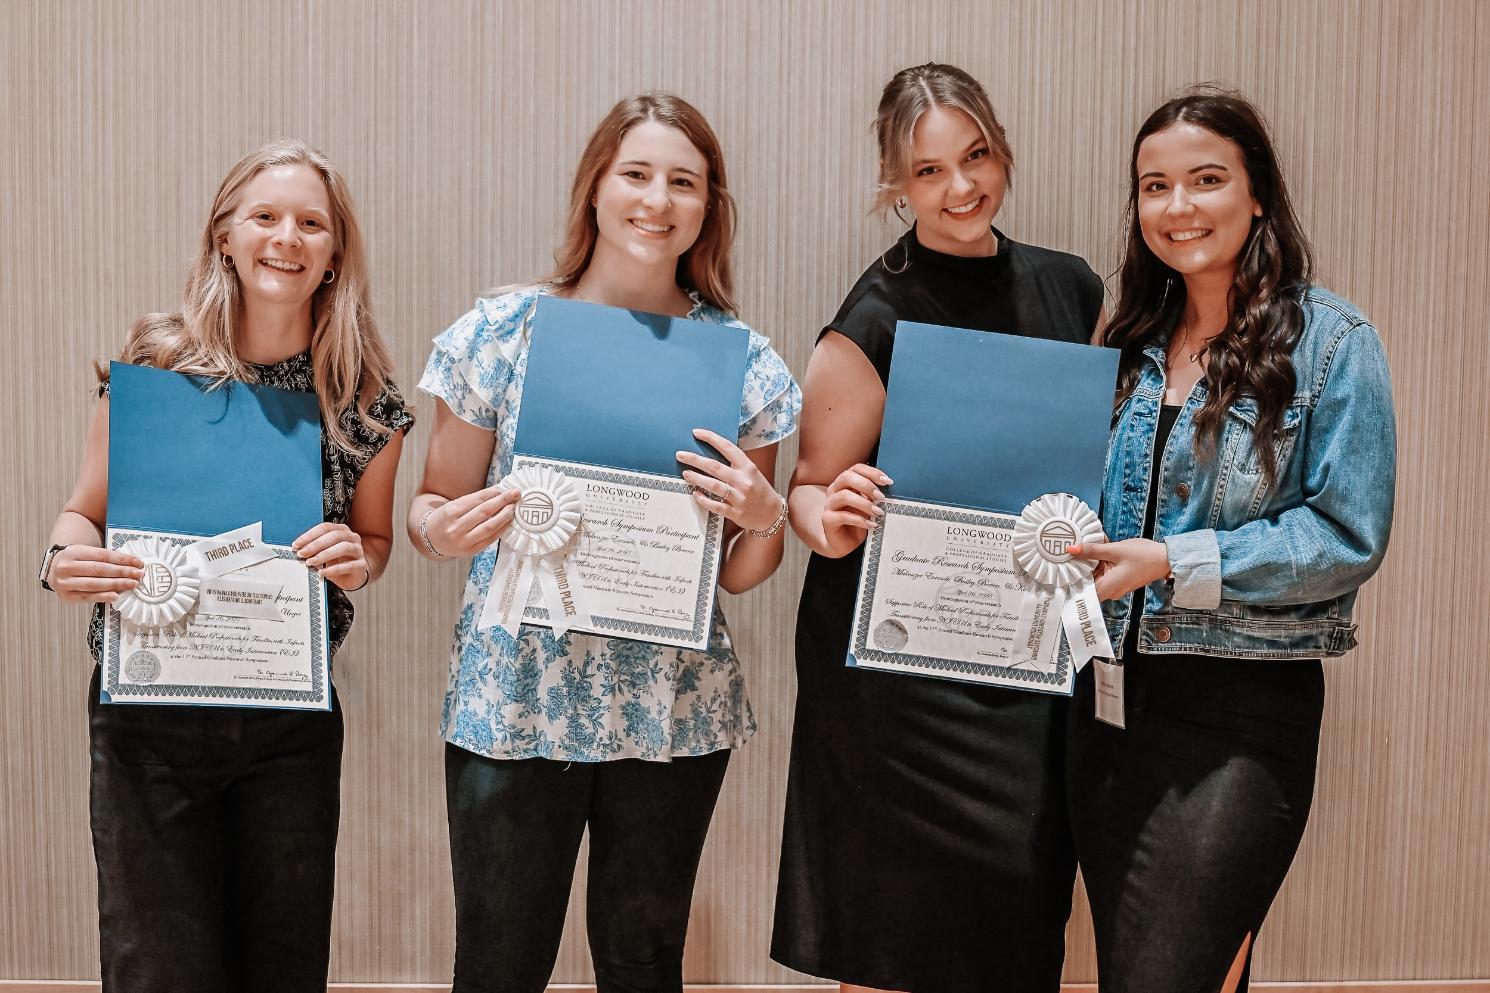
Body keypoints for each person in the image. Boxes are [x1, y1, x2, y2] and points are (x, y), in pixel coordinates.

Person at [409, 93, 800, 993]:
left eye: (684, 182)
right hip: (513, 703)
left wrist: (762, 511)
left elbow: (742, 576)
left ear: (709, 206)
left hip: (674, 708)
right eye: (636, 174)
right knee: (500, 962)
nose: (657, 199)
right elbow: (434, 502)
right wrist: (440, 528)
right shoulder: (502, 333)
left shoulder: (739, 362)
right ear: (595, 188)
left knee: (644, 959)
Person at [40, 139, 412, 992]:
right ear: (226, 238)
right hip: (146, 715)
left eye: (312, 223)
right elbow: (82, 510)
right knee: (156, 966)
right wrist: (63, 559)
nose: (288, 236)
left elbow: (376, 542)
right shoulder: (156, 364)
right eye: (266, 216)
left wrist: (359, 560)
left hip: (288, 722)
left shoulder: (367, 400)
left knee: (281, 966)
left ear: (334, 254)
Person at [771, 63, 1102, 993]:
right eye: (929, 171)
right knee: (885, 931)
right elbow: (808, 491)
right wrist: (827, 519)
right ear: (895, 185)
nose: (961, 188)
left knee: (1015, 925)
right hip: (892, 687)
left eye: (976, 156)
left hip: (1022, 671)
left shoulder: (1073, 291)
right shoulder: (870, 318)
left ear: (1000, 148)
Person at [1064, 88, 1396, 993]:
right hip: (1108, 712)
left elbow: (1347, 534)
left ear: (1257, 195)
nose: (1179, 207)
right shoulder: (1128, 344)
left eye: (1206, 180)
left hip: (1241, 720)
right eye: (1155, 186)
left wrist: (1175, 561)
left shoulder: (1333, 342)